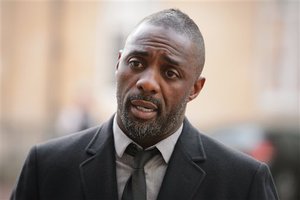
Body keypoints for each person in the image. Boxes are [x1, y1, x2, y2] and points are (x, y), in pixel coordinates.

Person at [11, 9, 278, 200]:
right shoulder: (46, 167)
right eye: (136, 63)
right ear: (118, 64)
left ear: (195, 89)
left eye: (170, 73)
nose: (147, 83)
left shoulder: (243, 182)